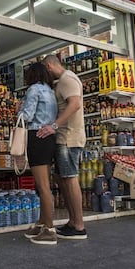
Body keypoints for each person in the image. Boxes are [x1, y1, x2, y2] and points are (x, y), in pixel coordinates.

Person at [38, 54, 88, 240]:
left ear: (49, 65)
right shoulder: (62, 81)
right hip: (63, 138)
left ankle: (79, 226)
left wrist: (54, 126)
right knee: (62, 178)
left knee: (69, 178)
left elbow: (75, 104)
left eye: (45, 70)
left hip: (69, 138)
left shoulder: (68, 79)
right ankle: (73, 222)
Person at [18, 62, 58, 245]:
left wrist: (18, 110)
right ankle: (42, 222)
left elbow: (26, 115)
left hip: (36, 136)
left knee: (42, 187)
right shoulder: (50, 90)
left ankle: (49, 230)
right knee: (44, 185)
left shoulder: (33, 89)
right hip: (48, 138)